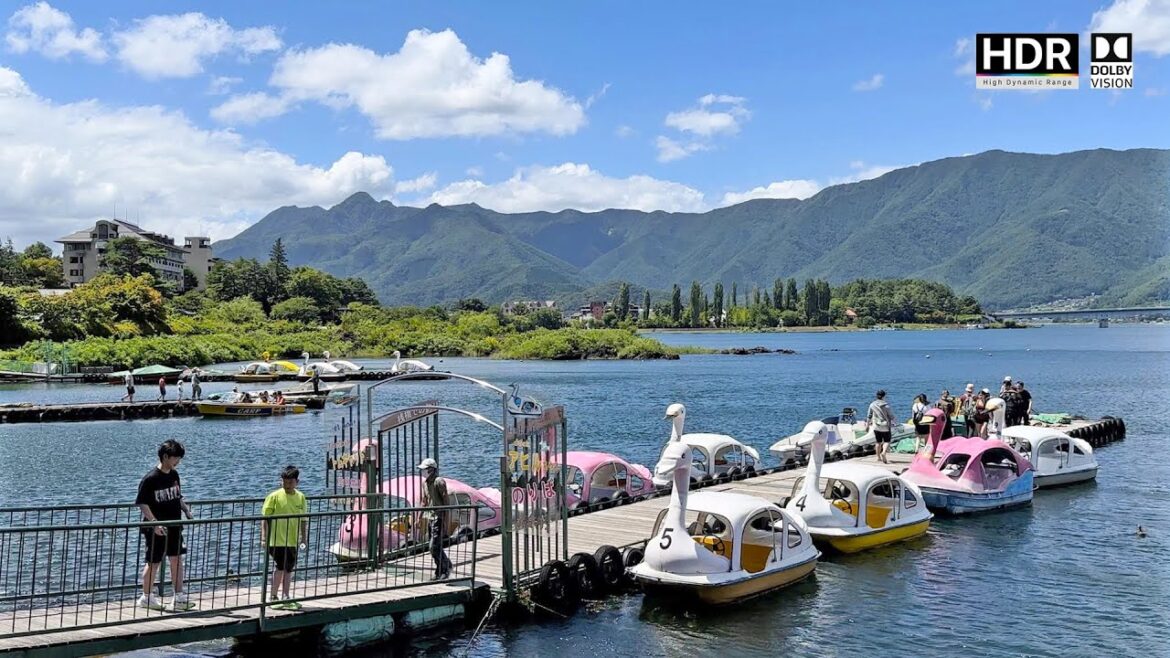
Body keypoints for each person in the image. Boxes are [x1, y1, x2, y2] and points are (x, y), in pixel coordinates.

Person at [135, 439, 195, 611]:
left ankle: (179, 597)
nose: (178, 462)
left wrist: (186, 510)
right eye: (176, 458)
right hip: (156, 526)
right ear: (165, 456)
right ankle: (146, 597)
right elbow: (142, 503)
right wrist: (154, 523)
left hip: (174, 524)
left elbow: (177, 496)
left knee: (176, 559)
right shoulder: (150, 478)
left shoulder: (174, 475)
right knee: (153, 561)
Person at [262, 465, 308, 610]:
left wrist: (304, 538)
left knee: (289, 568)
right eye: (285, 482)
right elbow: (265, 518)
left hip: (292, 540)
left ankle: (286, 595)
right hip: (276, 539)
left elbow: (303, 519)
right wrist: (264, 538)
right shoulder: (274, 496)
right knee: (280, 566)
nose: (287, 485)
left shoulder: (301, 497)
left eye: (290, 482)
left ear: (296, 482)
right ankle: (273, 596)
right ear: (280, 481)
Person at [418, 458, 452, 579]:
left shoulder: (439, 482)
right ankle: (442, 567)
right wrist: (419, 518)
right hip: (430, 517)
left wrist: (446, 523)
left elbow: (446, 503)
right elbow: (424, 501)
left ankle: (444, 569)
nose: (423, 472)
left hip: (439, 517)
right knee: (433, 546)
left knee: (434, 546)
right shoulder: (425, 483)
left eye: (425, 469)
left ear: (432, 469)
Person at [866, 390, 896, 464]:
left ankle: (878, 457)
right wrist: (895, 423)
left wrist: (867, 425)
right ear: (884, 396)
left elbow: (869, 416)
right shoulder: (886, 406)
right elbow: (891, 416)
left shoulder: (872, 405)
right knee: (887, 441)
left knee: (878, 442)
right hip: (885, 426)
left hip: (876, 426)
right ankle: (884, 452)